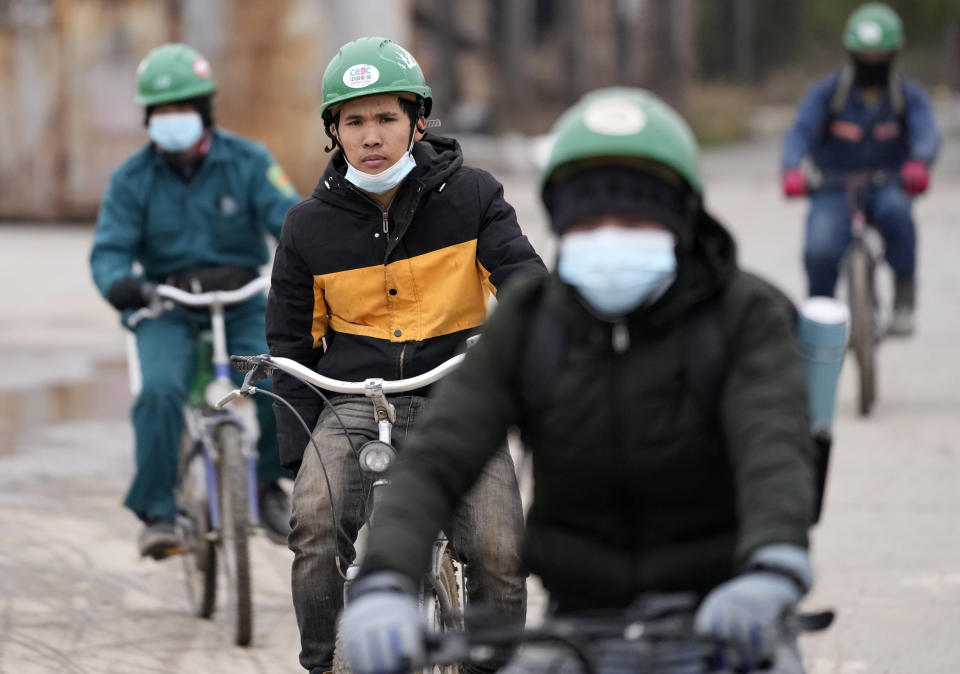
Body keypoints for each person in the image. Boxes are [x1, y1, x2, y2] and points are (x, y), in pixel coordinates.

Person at [340, 87, 818, 674]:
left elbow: (773, 448)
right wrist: (385, 579)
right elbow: (439, 456)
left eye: (636, 213)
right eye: (590, 215)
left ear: (683, 217)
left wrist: (772, 571)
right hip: (581, 627)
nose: (611, 231)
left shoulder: (742, 314)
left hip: (724, 618)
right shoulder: (533, 320)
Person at [265, 37, 544, 673]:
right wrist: (300, 448)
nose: (372, 135)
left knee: (501, 548)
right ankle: (323, 664)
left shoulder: (473, 195)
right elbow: (289, 344)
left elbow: (523, 276)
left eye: (387, 117)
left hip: (459, 398)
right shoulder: (306, 226)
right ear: (333, 132)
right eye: (354, 121)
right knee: (311, 523)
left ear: (418, 121)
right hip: (354, 403)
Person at [90, 43, 299, 558]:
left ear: (204, 110)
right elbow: (109, 249)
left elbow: (292, 223)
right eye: (162, 111)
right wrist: (121, 283)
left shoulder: (248, 161)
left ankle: (269, 483)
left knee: (283, 374)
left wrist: (313, 263)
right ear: (148, 119)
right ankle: (160, 511)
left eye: (183, 108)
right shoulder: (131, 179)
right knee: (159, 392)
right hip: (168, 303)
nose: (173, 120)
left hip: (243, 297)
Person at [781, 2, 940, 336]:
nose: (871, 62)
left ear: (893, 55)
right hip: (833, 187)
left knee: (898, 214)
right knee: (820, 248)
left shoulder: (907, 96)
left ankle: (903, 299)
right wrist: (791, 168)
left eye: (878, 56)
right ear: (850, 53)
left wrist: (920, 163)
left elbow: (926, 131)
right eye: (864, 55)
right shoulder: (827, 94)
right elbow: (800, 131)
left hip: (888, 183)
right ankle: (819, 320)